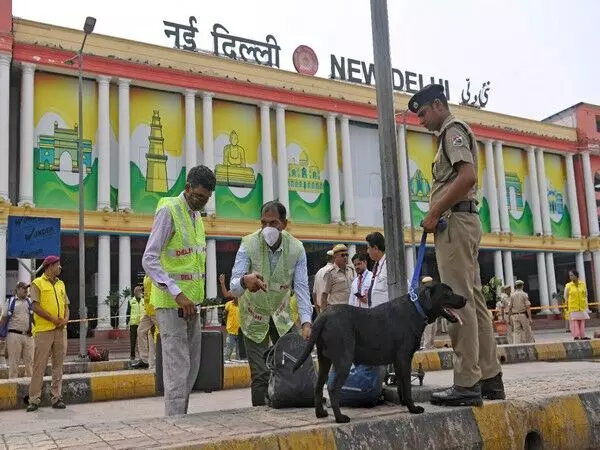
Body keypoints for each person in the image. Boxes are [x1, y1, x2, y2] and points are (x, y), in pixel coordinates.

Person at [409, 84, 504, 407]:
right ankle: (490, 378)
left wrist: (434, 212)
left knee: (455, 303)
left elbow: (467, 177)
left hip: (454, 224)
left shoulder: (452, 131)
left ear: (438, 105)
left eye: (422, 113)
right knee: (474, 301)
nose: (420, 121)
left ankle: (466, 384)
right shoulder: (448, 134)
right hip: (462, 223)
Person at [142, 164, 216, 416]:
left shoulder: (197, 217)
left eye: (206, 199)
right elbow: (149, 259)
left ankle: (180, 416)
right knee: (177, 366)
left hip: (191, 305)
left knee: (191, 366)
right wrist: (176, 292)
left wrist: (192, 298)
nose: (202, 202)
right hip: (171, 302)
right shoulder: (169, 210)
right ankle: (175, 424)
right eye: (198, 197)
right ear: (187, 188)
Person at [230, 201, 313, 406]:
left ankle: (296, 408)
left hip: (282, 314)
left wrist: (306, 322)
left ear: (284, 224)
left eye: (273, 223)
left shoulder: (296, 248)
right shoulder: (247, 244)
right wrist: (244, 281)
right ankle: (261, 419)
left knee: (297, 362)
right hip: (253, 315)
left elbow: (301, 287)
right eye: (264, 223)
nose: (268, 228)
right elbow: (234, 287)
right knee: (260, 374)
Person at [27, 256, 69, 412]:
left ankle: (57, 398)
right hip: (44, 331)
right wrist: (53, 319)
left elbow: (66, 305)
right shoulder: (37, 283)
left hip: (60, 331)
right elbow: (36, 307)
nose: (60, 268)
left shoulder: (61, 284)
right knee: (39, 365)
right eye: (58, 265)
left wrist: (64, 320)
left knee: (58, 366)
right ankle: (34, 399)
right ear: (49, 266)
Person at [0, 282, 34, 379]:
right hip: (14, 335)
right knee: (14, 363)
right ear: (17, 289)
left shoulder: (30, 301)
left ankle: (30, 389)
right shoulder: (10, 301)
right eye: (23, 288)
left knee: (30, 363)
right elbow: (3, 318)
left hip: (29, 335)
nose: (26, 290)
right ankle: (12, 388)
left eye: (27, 288)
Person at [131, 275, 159, 369]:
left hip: (156, 309)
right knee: (140, 331)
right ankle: (144, 359)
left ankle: (162, 357)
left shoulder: (155, 273)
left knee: (162, 335)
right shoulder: (146, 277)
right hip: (148, 311)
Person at [321, 244, 355, 309]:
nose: (345, 257)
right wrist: (324, 314)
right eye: (342, 255)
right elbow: (324, 296)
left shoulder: (351, 270)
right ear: (335, 257)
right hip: (335, 310)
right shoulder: (330, 273)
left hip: (350, 310)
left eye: (346, 255)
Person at [564, 269, 590, 340]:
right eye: (570, 275)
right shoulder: (568, 285)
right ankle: (576, 336)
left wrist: (585, 304)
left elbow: (585, 294)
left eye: (572, 275)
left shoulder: (583, 284)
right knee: (574, 321)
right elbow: (565, 296)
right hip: (573, 307)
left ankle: (582, 336)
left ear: (576, 276)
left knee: (581, 321)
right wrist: (568, 304)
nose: (570, 277)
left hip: (581, 306)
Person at [365, 232, 389, 307]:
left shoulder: (390, 265)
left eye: (368, 248)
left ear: (375, 248)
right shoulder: (377, 266)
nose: (367, 251)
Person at [126, 286, 144, 360]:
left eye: (140, 291)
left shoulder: (143, 301)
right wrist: (127, 323)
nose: (139, 292)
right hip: (133, 323)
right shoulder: (130, 301)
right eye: (137, 291)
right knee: (133, 340)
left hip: (142, 323)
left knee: (142, 340)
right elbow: (128, 313)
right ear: (134, 292)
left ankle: (142, 354)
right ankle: (132, 355)